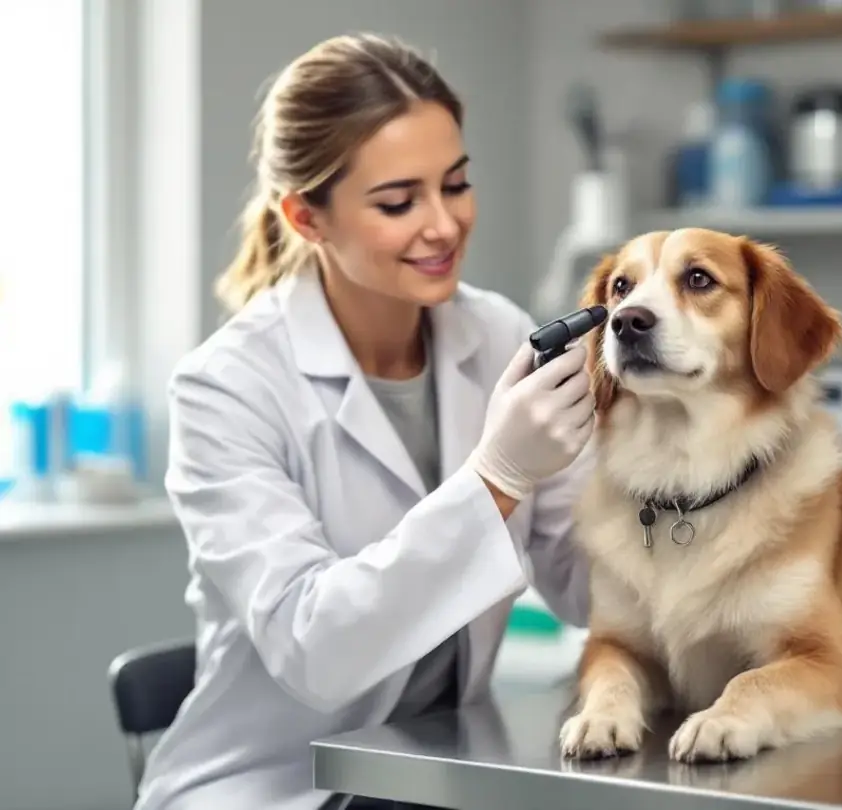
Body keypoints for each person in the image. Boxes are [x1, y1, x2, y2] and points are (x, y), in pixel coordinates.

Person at [134, 32, 596, 810]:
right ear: (306, 218)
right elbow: (318, 650)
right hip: (274, 789)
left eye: (455, 185)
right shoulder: (226, 389)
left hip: (435, 779)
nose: (444, 225)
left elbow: (588, 587)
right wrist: (496, 479)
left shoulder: (495, 336)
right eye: (397, 201)